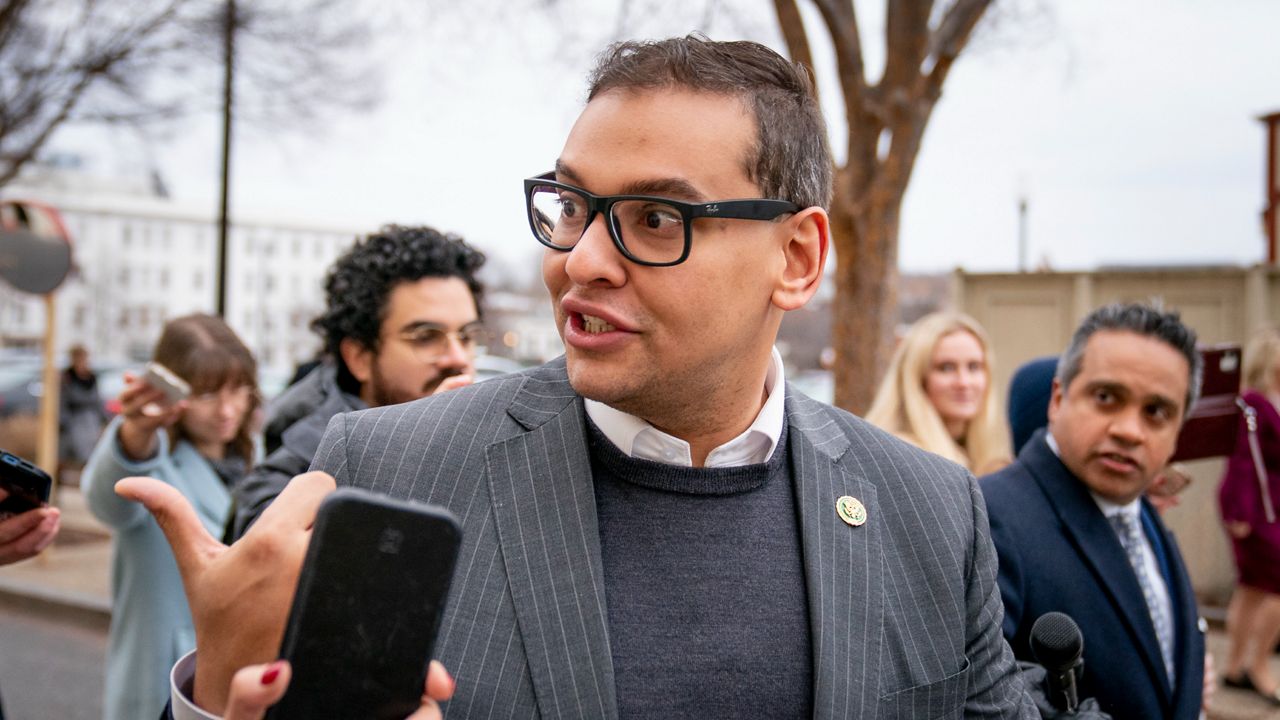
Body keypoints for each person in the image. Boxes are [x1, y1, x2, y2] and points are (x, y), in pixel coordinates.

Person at [128, 35, 1038, 719]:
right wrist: (215, 699)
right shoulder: (385, 472)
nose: (581, 261)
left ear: (796, 257)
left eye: (653, 218)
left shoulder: (931, 509)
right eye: (572, 206)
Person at [980, 303, 1208, 719]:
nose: (1128, 430)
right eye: (1106, 397)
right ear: (1058, 397)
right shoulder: (986, 518)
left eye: (1156, 412)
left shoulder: (1140, 514)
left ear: (1179, 432)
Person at [228, 224, 486, 538]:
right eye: (426, 338)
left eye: (467, 336)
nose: (457, 357)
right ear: (359, 357)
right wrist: (411, 454)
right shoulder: (295, 471)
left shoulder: (482, 441)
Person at [82, 314, 260, 720]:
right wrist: (135, 433)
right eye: (207, 394)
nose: (227, 409)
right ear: (172, 391)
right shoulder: (148, 464)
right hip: (161, 685)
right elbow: (107, 502)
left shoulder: (261, 465)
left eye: (238, 389)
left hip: (244, 684)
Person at [866, 311, 1012, 474]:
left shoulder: (990, 456)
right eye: (946, 368)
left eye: (974, 367)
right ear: (917, 377)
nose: (964, 382)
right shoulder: (898, 454)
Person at [1219, 326, 1280, 702]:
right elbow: (1242, 460)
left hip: (1267, 505)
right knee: (1273, 588)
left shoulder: (1268, 400)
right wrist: (1239, 511)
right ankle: (1259, 666)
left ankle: (1234, 666)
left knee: (1252, 588)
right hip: (1258, 510)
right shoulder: (1254, 404)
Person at [59, 343, 108, 475]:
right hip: (74, 421)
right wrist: (63, 422)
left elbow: (98, 400)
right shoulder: (67, 378)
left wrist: (104, 419)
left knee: (92, 449)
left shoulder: (91, 378)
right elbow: (62, 401)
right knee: (78, 449)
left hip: (90, 420)